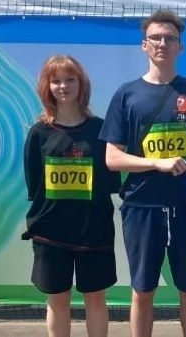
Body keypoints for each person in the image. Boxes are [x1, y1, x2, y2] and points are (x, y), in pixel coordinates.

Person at [99, 10, 186, 337]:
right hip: (142, 206)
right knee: (143, 291)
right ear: (144, 45)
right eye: (155, 38)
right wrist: (157, 163)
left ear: (180, 46)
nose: (162, 43)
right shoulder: (126, 95)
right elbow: (112, 158)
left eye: (170, 38)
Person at [22, 54, 120, 337]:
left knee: (96, 299)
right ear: (47, 86)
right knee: (58, 300)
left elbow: (111, 182)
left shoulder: (101, 130)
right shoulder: (38, 133)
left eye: (70, 80)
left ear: (81, 84)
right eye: (56, 81)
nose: (63, 86)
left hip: (94, 230)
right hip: (51, 232)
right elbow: (34, 186)